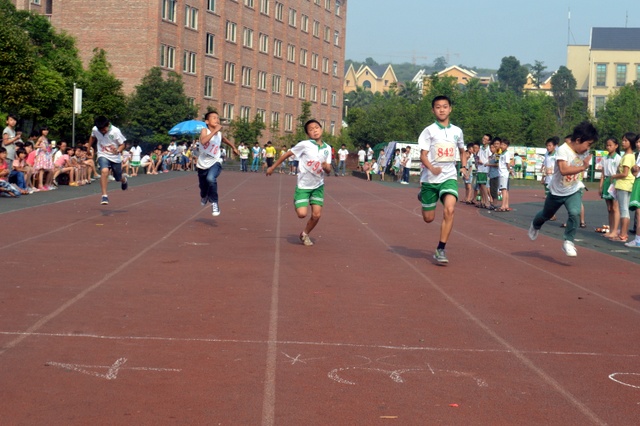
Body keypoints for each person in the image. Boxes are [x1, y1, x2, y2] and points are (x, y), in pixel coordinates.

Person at [528, 121, 598, 257]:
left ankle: (568, 241)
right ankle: (535, 225)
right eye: (588, 144)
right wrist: (583, 167)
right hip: (557, 191)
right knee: (546, 215)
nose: (588, 148)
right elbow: (564, 170)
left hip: (574, 189)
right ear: (578, 140)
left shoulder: (585, 152)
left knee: (575, 212)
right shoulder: (562, 150)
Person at [417, 95, 468, 264]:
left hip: (449, 177)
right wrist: (432, 168)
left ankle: (440, 249)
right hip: (430, 179)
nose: (442, 110)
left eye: (445, 106)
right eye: (438, 107)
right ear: (433, 110)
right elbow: (423, 155)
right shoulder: (429, 131)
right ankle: (423, 196)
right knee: (428, 218)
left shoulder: (457, 131)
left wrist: (463, 166)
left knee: (449, 210)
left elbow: (462, 151)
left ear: (450, 109)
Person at [266, 119, 332, 246]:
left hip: (318, 186)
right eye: (311, 129)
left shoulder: (327, 148)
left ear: (321, 129)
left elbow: (328, 170)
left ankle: (304, 234)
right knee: (302, 214)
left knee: (316, 215)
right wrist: (272, 167)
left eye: (316, 127)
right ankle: (297, 200)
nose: (315, 130)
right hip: (303, 185)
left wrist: (326, 167)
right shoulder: (304, 144)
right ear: (308, 134)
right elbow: (287, 154)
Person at [196, 111, 239, 216]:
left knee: (211, 179)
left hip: (215, 161)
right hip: (202, 163)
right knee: (203, 186)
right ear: (207, 121)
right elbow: (204, 141)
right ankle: (204, 195)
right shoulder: (204, 130)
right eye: (214, 118)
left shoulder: (219, 134)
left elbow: (224, 139)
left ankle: (214, 202)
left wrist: (233, 147)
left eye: (218, 118)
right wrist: (215, 130)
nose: (217, 120)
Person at [90, 116, 128, 205]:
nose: (102, 131)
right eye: (100, 130)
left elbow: (123, 145)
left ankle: (124, 180)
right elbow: (92, 137)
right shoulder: (95, 129)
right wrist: (88, 148)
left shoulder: (115, 131)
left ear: (108, 125)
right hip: (102, 154)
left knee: (118, 178)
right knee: (104, 171)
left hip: (115, 157)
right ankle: (104, 195)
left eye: (104, 129)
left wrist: (117, 150)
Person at [610, 132, 638, 243]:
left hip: (624, 185)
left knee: (624, 210)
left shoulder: (628, 156)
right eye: (623, 140)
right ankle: (623, 233)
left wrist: (614, 176)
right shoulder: (630, 156)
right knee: (624, 210)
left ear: (631, 143)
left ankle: (623, 234)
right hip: (627, 185)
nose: (623, 142)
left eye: (626, 140)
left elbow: (625, 173)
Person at [598, 138, 621, 240]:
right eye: (607, 145)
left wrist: (616, 183)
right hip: (607, 182)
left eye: (610, 145)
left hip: (614, 182)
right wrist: (600, 186)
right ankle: (611, 230)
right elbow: (603, 174)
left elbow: (620, 172)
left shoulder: (618, 158)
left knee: (615, 207)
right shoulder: (605, 158)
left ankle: (615, 231)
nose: (608, 147)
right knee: (609, 208)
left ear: (616, 146)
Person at [625, 135, 640, 248]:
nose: (638, 144)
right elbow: (635, 172)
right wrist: (634, 169)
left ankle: (638, 240)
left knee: (639, 213)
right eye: (637, 142)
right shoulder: (638, 155)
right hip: (638, 181)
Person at [495, 139, 513, 212]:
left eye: (504, 145)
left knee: (503, 190)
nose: (502, 146)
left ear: (507, 146)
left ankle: (503, 206)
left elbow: (507, 164)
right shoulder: (502, 153)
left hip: (504, 173)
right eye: (502, 144)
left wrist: (510, 170)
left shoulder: (506, 154)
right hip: (502, 173)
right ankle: (506, 205)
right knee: (505, 190)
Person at [475, 134, 492, 209]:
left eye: (486, 139)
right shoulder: (481, 148)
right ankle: (483, 201)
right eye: (483, 138)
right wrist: (478, 161)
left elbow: (490, 159)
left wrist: (484, 163)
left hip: (485, 169)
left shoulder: (489, 149)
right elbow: (478, 157)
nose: (484, 140)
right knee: (480, 185)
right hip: (480, 169)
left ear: (489, 141)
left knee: (483, 185)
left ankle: (487, 201)